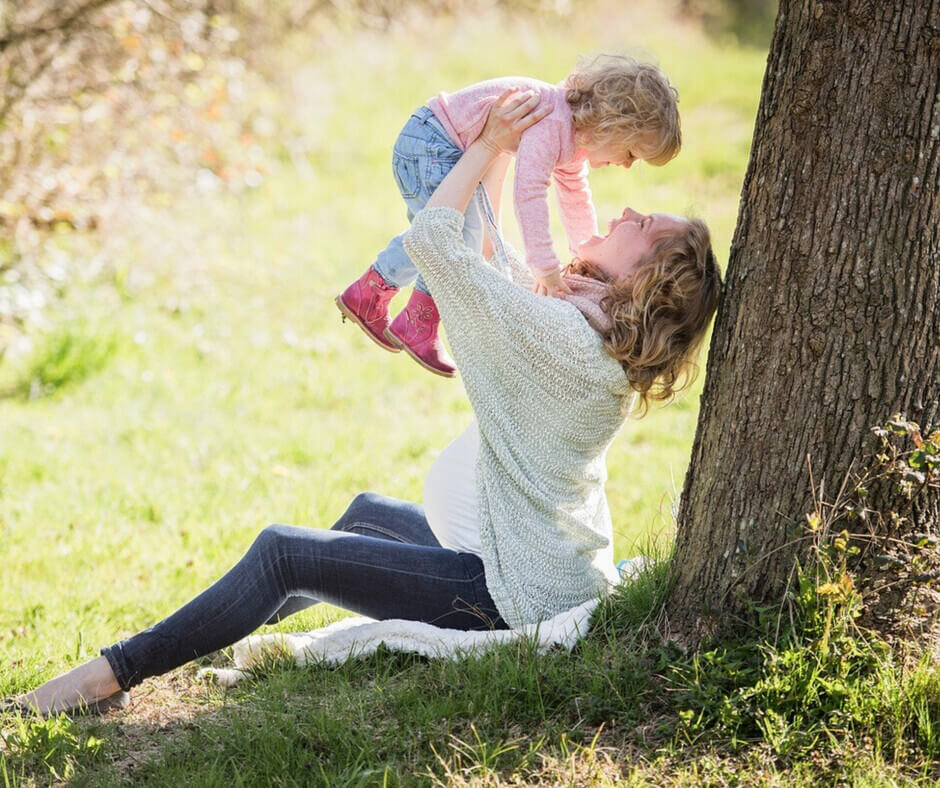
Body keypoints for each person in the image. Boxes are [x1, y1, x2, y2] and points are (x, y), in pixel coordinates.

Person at [5, 91, 719, 717]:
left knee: (285, 553)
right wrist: (501, 154)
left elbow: (438, 242)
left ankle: (110, 675)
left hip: (508, 591)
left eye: (644, 224)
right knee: (364, 517)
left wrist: (487, 145)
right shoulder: (588, 334)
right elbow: (494, 262)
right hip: (527, 559)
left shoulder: (562, 339)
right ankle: (201, 636)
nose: (625, 208)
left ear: (644, 279)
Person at [335, 55, 681, 377]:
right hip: (431, 144)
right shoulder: (554, 123)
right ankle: (416, 319)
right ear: (612, 125)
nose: (625, 165)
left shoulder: (573, 137)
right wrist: (544, 267)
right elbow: (528, 193)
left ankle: (371, 293)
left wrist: (584, 252)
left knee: (448, 233)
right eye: (631, 152)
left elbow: (575, 197)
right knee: (450, 235)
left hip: (439, 144)